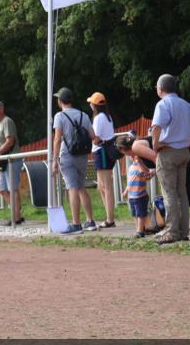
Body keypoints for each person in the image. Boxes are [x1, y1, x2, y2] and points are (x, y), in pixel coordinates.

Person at [151, 74, 190, 244]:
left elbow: (157, 127)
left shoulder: (163, 104)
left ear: (160, 88)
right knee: (181, 192)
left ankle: (171, 231)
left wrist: (155, 144)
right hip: (184, 151)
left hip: (168, 152)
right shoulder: (186, 105)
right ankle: (183, 231)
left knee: (169, 192)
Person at [52, 87, 97, 235]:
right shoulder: (84, 115)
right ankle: (90, 221)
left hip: (67, 156)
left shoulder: (60, 116)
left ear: (60, 101)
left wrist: (54, 160)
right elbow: (93, 136)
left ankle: (76, 224)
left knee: (72, 188)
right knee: (81, 187)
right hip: (82, 156)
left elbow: (57, 139)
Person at [88, 92, 117, 228]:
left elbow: (96, 138)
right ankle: (108, 217)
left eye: (91, 103)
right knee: (101, 187)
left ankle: (110, 219)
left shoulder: (99, 118)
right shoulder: (107, 117)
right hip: (104, 151)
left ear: (94, 105)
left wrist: (88, 135)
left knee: (106, 186)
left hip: (102, 151)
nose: (90, 105)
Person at [121, 143, 153, 238]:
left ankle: (140, 231)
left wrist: (140, 163)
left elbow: (147, 173)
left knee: (140, 214)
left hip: (140, 196)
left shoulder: (141, 167)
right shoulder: (131, 167)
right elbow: (130, 182)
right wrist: (126, 191)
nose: (134, 157)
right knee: (134, 214)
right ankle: (139, 229)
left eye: (136, 156)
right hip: (132, 196)